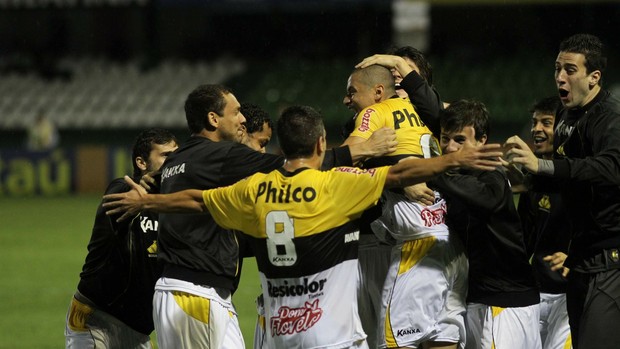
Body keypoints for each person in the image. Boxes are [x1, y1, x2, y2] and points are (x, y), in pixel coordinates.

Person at [103, 105, 504, 348]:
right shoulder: (337, 185)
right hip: (332, 337)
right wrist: (451, 162)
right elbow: (400, 173)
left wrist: (147, 201)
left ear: (280, 148)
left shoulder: (253, 190)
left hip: (281, 335)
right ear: (320, 144)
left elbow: (195, 201)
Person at [143, 84, 398, 348]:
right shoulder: (221, 156)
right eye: (236, 112)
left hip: (184, 290)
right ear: (213, 118)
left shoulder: (178, 159)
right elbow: (295, 165)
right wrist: (365, 149)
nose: (242, 119)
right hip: (196, 292)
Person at [504, 33, 620, 349]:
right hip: (583, 260)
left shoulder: (610, 117)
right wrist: (519, 175)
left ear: (594, 77)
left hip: (611, 261)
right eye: (557, 68)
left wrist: (544, 168)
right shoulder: (569, 117)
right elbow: (568, 178)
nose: (560, 77)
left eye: (570, 69)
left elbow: (612, 169)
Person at [430, 100, 541, 349]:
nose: (449, 147)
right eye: (444, 138)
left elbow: (487, 198)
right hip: (484, 299)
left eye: (460, 140)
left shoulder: (492, 176)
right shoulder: (460, 175)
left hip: (504, 304)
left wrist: (431, 171)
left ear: (482, 141)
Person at [64, 128, 178, 348]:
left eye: (176, 155)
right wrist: (135, 199)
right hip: (96, 318)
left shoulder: (170, 205)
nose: (173, 161)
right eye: (165, 155)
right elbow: (118, 199)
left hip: (139, 329)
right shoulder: (123, 191)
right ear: (141, 163)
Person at [515, 96, 572, 349]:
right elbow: (524, 239)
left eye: (546, 123)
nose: (537, 129)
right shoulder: (533, 181)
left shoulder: (579, 177)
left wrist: (577, 257)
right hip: (536, 292)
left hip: (571, 295)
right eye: (534, 122)